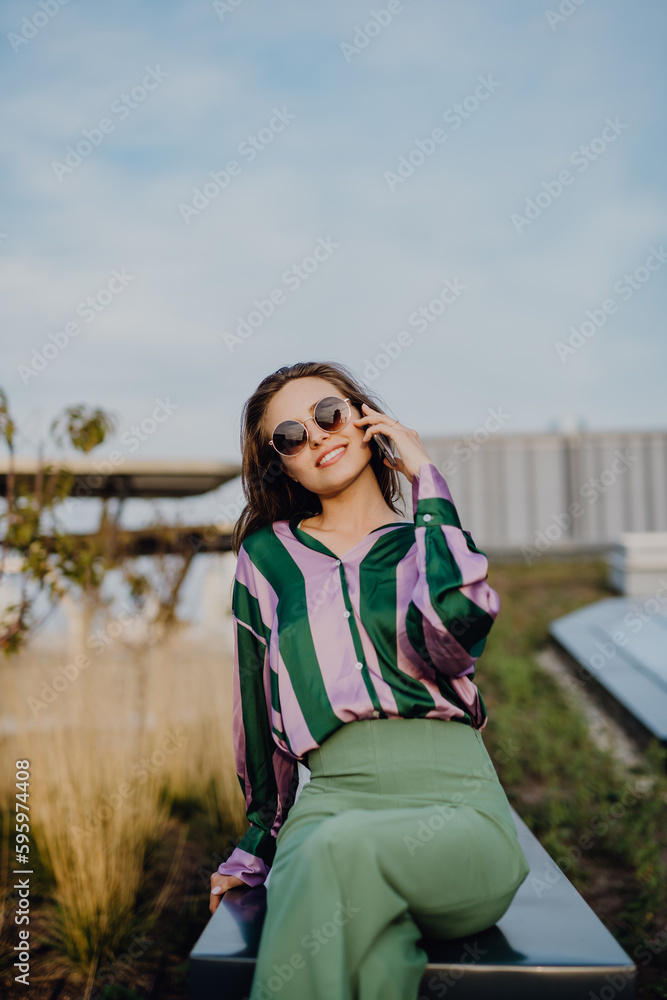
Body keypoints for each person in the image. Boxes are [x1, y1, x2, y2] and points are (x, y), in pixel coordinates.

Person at [209, 360, 530, 1000]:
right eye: (290, 437)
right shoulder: (265, 559)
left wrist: (424, 476)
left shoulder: (428, 541)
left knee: (339, 854)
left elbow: (460, 628)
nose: (317, 437)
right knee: (367, 941)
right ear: (282, 465)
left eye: (329, 414)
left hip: (458, 807)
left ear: (365, 418)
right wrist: (255, 848)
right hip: (330, 802)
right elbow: (256, 708)